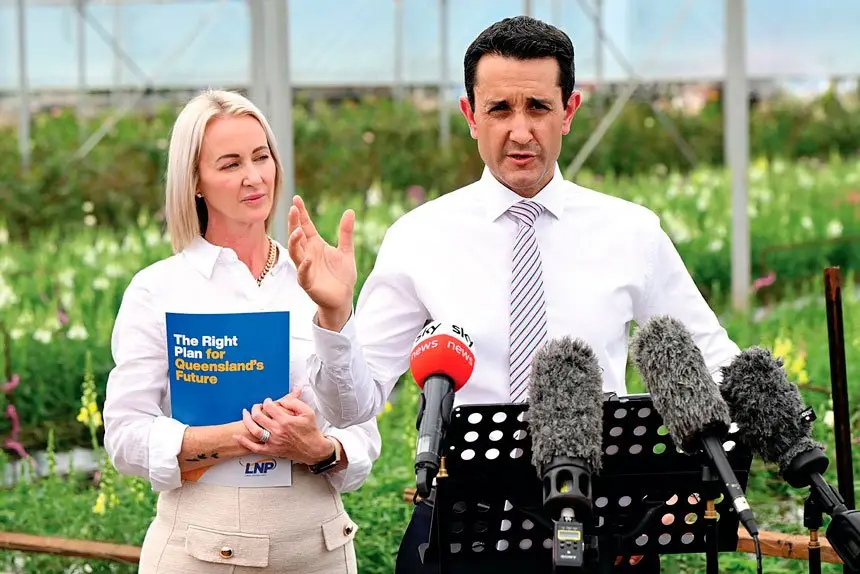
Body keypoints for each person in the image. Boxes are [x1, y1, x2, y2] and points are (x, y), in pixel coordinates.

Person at [287, 16, 741, 574]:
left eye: (539, 108)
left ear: (569, 112)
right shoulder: (420, 236)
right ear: (470, 115)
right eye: (500, 109)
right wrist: (334, 316)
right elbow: (353, 405)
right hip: (462, 524)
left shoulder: (633, 233)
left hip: (603, 525)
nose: (520, 131)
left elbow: (714, 361)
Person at [102, 89, 380, 574]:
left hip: (321, 550)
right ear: (195, 182)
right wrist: (239, 437)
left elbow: (358, 423)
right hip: (198, 553)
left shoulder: (314, 278)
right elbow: (124, 435)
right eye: (230, 164)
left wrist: (319, 448)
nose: (254, 177)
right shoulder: (159, 290)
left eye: (261, 157)